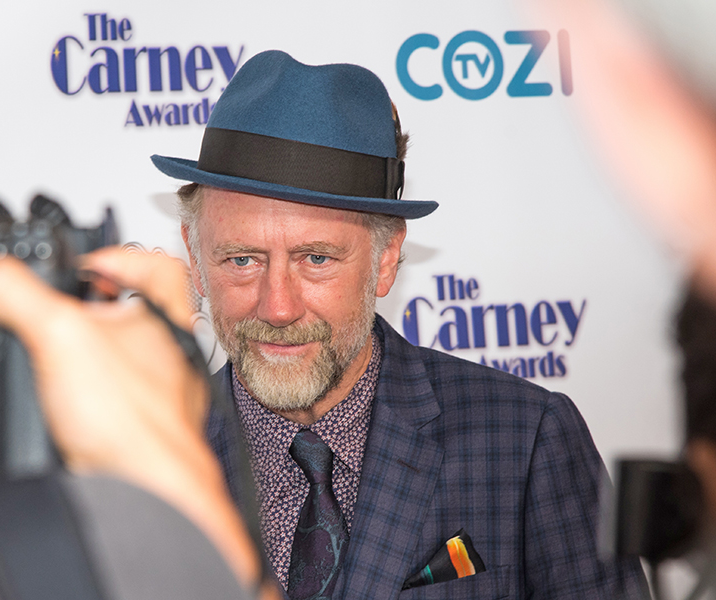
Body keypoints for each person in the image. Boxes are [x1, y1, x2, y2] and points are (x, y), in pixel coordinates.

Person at [145, 49, 649, 599]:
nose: (278, 307)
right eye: (242, 260)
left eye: (317, 258)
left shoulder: (524, 440)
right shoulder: (144, 460)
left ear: (385, 260)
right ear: (194, 255)